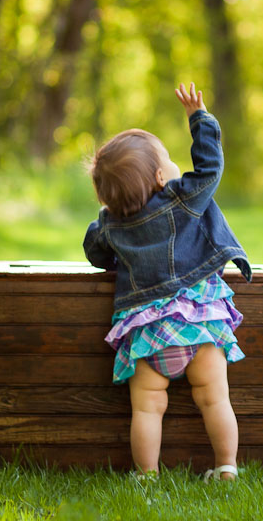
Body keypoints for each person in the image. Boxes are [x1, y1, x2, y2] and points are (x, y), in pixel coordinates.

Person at [83, 82, 252, 482]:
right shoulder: (181, 199)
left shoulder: (112, 223)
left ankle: (146, 474)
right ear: (162, 177)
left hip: (149, 334)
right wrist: (200, 119)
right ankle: (226, 466)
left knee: (146, 408)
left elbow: (94, 252)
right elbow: (209, 168)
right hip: (198, 326)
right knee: (215, 400)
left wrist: (111, 213)